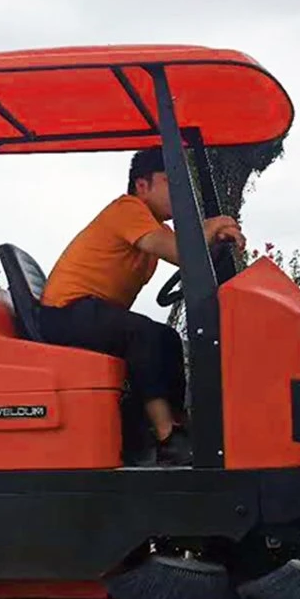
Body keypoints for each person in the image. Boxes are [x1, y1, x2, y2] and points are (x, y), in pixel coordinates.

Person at [38, 147, 245, 466]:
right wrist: (213, 224)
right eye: (169, 181)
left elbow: (186, 252)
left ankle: (179, 430)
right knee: (143, 335)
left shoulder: (153, 226)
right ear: (142, 185)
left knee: (168, 338)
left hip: (90, 314)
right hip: (64, 313)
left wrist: (216, 242)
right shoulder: (128, 209)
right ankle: (165, 436)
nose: (177, 192)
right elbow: (181, 251)